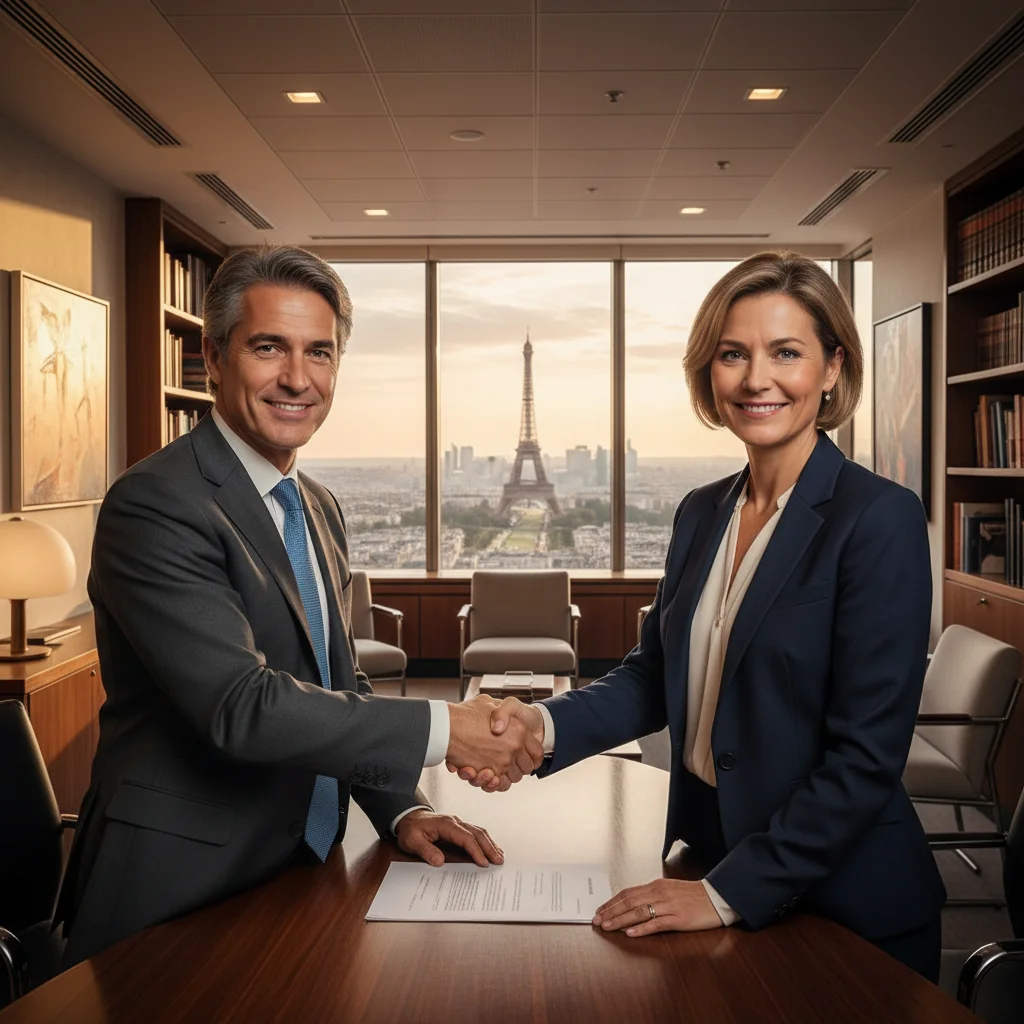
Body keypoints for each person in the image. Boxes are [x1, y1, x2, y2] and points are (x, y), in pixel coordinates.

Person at [457, 251, 946, 981]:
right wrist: (541, 725)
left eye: (786, 352)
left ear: (833, 368)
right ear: (707, 373)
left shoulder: (879, 519)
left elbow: (865, 759)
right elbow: (656, 673)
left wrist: (724, 894)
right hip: (709, 856)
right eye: (732, 354)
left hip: (838, 900)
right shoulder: (701, 512)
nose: (757, 379)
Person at [56, 246, 542, 966]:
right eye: (268, 348)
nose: (297, 377)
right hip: (175, 892)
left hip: (299, 875)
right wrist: (451, 727)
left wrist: (402, 807)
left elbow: (338, 683)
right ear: (213, 359)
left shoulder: (316, 506)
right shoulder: (156, 503)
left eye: (320, 352)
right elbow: (242, 706)